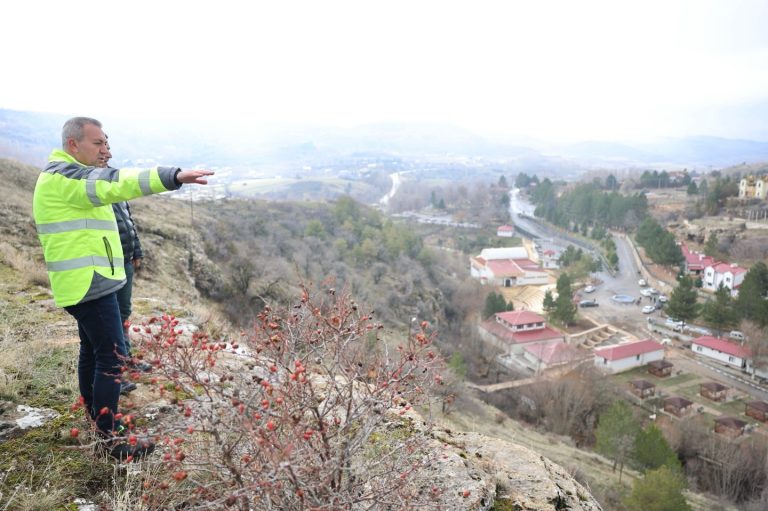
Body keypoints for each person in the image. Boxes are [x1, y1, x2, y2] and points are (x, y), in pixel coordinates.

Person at [32, 117, 213, 460]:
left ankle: (97, 422)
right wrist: (172, 176)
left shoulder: (65, 174)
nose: (105, 149)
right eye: (97, 143)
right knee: (112, 359)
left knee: (94, 352)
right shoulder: (66, 176)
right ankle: (110, 441)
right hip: (89, 283)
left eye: (105, 142)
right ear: (74, 144)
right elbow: (118, 183)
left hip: (89, 281)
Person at [99, 138, 152, 391]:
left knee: (123, 312)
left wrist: (137, 250)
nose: (106, 154)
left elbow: (128, 222)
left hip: (126, 259)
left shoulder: (115, 184)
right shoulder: (93, 187)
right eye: (101, 149)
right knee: (112, 318)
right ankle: (115, 370)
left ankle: (125, 359)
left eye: (108, 151)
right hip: (109, 263)